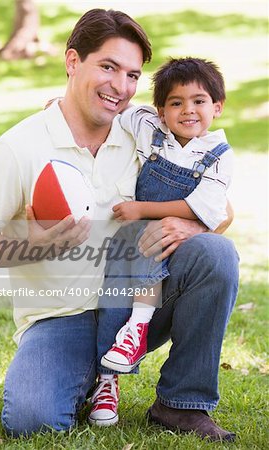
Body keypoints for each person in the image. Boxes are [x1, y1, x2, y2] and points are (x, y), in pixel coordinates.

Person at [0, 9, 239, 442]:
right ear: (72, 61)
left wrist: (193, 228)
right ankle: (89, 374)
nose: (120, 87)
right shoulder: (19, 148)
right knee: (31, 421)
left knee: (216, 253)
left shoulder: (141, 134)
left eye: (132, 75)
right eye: (108, 67)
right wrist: (31, 244)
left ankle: (181, 404)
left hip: (138, 302)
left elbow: (220, 208)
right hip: (62, 316)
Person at [92, 57, 233, 412]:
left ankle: (141, 329)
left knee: (155, 237)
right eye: (176, 102)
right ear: (160, 110)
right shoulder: (147, 126)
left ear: (217, 107)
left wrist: (143, 209)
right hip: (130, 256)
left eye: (199, 101)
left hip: (170, 251)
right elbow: (109, 110)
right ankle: (107, 377)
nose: (188, 110)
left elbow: (208, 208)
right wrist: (57, 107)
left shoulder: (218, 154)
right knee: (129, 256)